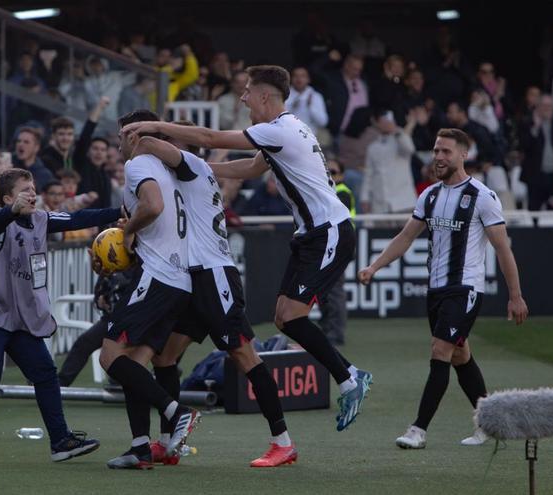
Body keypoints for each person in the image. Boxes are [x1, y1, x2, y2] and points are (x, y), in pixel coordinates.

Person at [122, 65, 371, 431]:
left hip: (329, 230)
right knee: (284, 318)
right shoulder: (286, 130)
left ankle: (350, 377)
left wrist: (157, 128)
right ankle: (347, 376)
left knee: (292, 318)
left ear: (265, 97)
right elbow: (253, 170)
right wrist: (197, 167)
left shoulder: (279, 130)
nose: (243, 98)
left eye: (247, 92)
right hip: (309, 235)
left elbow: (210, 134)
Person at [133, 131, 297, 468]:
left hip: (214, 274)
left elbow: (159, 146)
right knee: (164, 357)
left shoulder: (192, 164)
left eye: (172, 146)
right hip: (188, 278)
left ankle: (283, 442)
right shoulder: (180, 176)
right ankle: (166, 443)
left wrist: (140, 134)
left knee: (243, 354)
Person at [358, 128, 529, 449]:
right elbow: (405, 237)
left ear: (463, 155)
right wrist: (374, 266)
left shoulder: (482, 196)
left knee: (440, 351)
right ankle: (492, 424)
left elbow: (503, 249)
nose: (438, 157)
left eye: (446, 152)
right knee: (460, 355)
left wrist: (515, 295)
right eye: (436, 151)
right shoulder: (430, 195)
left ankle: (417, 430)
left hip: (465, 289)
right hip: (436, 291)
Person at [0, 168, 123, 466]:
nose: (32, 194)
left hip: (19, 316)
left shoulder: (41, 219)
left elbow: (77, 218)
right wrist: (10, 210)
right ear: (7, 198)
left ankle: (61, 441)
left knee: (45, 372)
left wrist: (120, 210)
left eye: (33, 189)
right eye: (25, 190)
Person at [100, 110, 201, 470]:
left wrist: (128, 233)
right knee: (137, 363)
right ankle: (141, 447)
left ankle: (177, 412)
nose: (118, 144)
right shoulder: (168, 168)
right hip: (179, 279)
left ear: (135, 135)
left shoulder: (140, 163)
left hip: (159, 275)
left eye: (120, 136)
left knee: (110, 356)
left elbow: (154, 206)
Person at [318, 160, 353, 345]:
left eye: (333, 171)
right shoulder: (329, 191)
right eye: (326, 171)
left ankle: (335, 333)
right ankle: (327, 329)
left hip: (337, 246)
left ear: (342, 175)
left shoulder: (342, 193)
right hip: (328, 245)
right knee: (324, 291)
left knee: (333, 292)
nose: (329, 175)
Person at [360, 108, 417, 214]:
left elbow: (409, 149)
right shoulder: (372, 147)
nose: (386, 124)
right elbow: (369, 174)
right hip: (381, 204)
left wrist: (396, 131)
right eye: (383, 121)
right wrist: (365, 198)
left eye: (388, 120)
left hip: (404, 203)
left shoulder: (401, 138)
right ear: (377, 123)